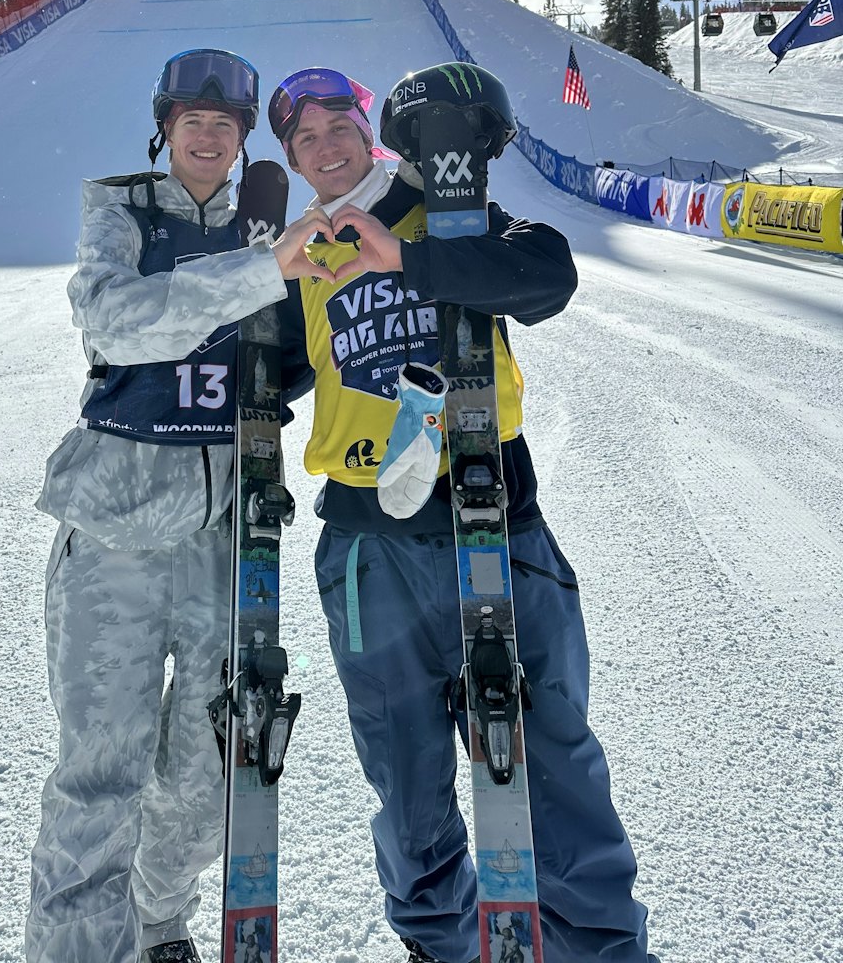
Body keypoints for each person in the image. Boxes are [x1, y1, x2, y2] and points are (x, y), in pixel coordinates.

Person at [269, 63, 658, 963]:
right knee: (406, 782)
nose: (326, 150)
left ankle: (598, 947)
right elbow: (269, 368)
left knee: (549, 763)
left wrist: (408, 253)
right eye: (305, 142)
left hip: (492, 517)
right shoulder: (308, 257)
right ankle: (442, 945)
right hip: (369, 545)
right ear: (292, 160)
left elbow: (547, 276)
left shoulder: (452, 212)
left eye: (339, 128)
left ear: (371, 134)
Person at [26, 48, 321, 963]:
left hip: (218, 540)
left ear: (240, 142)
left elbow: (288, 362)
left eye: (225, 123)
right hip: (114, 524)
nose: (207, 133)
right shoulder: (122, 210)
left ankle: (160, 931)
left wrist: (300, 292)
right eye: (191, 118)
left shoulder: (270, 227)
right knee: (99, 778)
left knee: (206, 780)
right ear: (165, 127)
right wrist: (262, 269)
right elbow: (115, 319)